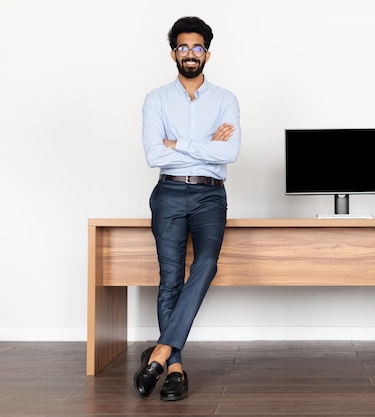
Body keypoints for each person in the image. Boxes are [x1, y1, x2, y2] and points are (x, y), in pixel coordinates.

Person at [134, 16, 241, 401]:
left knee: (207, 263)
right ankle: (175, 368)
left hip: (211, 195)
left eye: (197, 47)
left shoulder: (225, 99)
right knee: (170, 280)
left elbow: (230, 151)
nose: (190, 53)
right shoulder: (156, 99)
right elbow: (152, 154)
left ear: (207, 53)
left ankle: (160, 353)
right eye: (183, 47)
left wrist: (177, 143)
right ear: (173, 53)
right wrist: (203, 143)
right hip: (168, 193)